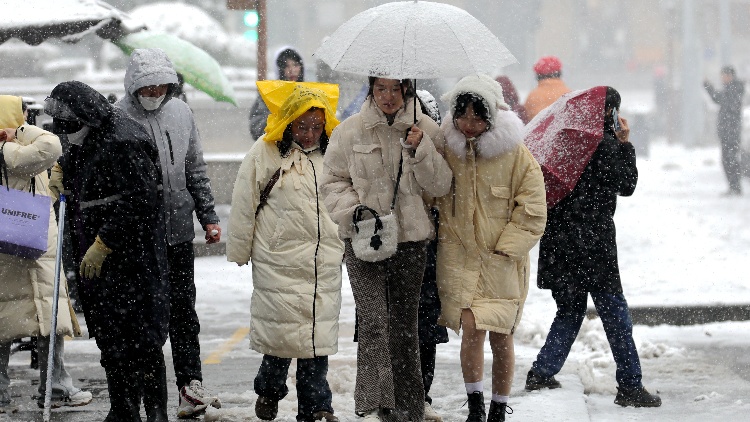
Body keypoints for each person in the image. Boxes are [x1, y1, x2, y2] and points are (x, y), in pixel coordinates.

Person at [321, 77, 452, 422]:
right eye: (381, 89)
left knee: (404, 326)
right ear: (371, 90)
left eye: (396, 89)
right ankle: (379, 404)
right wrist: (356, 212)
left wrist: (420, 149)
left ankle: (409, 407)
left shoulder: (425, 128)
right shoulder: (350, 130)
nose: (388, 97)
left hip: (409, 242)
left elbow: (441, 185)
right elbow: (332, 181)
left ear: (407, 90)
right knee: (374, 321)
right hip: (362, 238)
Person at [525, 87, 662, 409]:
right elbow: (627, 185)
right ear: (610, 113)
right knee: (615, 314)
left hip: (560, 243)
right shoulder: (606, 146)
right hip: (594, 246)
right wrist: (625, 144)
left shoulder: (560, 146)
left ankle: (542, 372)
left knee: (570, 310)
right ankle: (629, 385)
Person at [44, 80, 171, 422]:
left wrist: (105, 242)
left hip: (135, 256)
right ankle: (123, 407)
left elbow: (142, 199)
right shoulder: (91, 133)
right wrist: (63, 169)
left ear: (85, 116)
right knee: (111, 334)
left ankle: (156, 410)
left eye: (68, 126)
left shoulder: (124, 141)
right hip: (97, 253)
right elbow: (81, 160)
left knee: (142, 336)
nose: (63, 132)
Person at [227, 81, 344, 422]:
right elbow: (244, 203)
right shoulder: (264, 153)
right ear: (288, 122)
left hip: (322, 262)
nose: (309, 134)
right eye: (302, 126)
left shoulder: (332, 154)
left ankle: (317, 407)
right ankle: (269, 387)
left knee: (315, 338)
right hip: (278, 260)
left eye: (317, 127)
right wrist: (239, 249)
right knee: (282, 339)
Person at [115, 48, 222, 419]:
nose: (155, 92)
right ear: (134, 85)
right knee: (145, 319)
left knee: (183, 313)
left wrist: (207, 215)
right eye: (148, 86)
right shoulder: (117, 119)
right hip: (138, 240)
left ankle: (189, 385)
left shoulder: (181, 113)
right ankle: (147, 393)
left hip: (177, 234)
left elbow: (195, 169)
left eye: (162, 86)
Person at [434, 75, 547, 422]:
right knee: (471, 329)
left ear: (491, 117)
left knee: (501, 336)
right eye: (462, 117)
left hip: (501, 261)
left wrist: (507, 248)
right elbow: (430, 190)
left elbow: (533, 208)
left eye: (477, 117)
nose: (469, 125)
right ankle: (475, 407)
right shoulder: (446, 150)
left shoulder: (516, 156)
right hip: (460, 259)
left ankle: (499, 406)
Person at [0, 95, 93, 413]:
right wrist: (14, 135)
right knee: (46, 315)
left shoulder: (21, 156)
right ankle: (55, 383)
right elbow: (52, 145)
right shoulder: (22, 151)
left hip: (10, 243)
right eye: (23, 117)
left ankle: (1, 388)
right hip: (34, 244)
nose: (28, 122)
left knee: (5, 317)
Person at [414, 89, 449, 422]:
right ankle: (399, 393)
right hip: (398, 245)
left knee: (426, 326)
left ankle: (421, 392)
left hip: (430, 247)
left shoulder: (440, 148)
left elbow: (443, 188)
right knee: (396, 325)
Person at [704, 65, 745, 195]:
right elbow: (718, 99)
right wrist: (708, 87)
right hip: (727, 131)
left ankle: (735, 187)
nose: (723, 78)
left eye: (724, 75)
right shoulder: (731, 88)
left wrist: (709, 88)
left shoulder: (735, 89)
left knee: (730, 159)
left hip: (731, 131)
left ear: (730, 76)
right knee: (727, 160)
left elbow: (721, 99)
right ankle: (733, 187)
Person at [249, 47, 305, 140]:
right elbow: (256, 128)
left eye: (295, 65)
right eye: (286, 66)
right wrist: (279, 117)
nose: (292, 70)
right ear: (279, 69)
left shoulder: (309, 93)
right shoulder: (269, 94)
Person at [523, 56, 571, 122]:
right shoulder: (569, 94)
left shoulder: (533, 96)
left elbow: (526, 119)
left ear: (538, 75)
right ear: (559, 73)